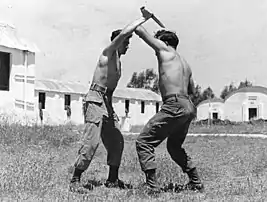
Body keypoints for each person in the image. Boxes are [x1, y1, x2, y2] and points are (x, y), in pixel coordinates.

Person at [70, 10, 153, 193]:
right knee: (91, 142)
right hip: (95, 100)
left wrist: (110, 106)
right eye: (127, 42)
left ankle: (112, 180)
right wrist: (142, 20)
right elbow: (123, 33)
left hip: (106, 102)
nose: (128, 46)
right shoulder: (108, 53)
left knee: (117, 141)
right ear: (118, 41)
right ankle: (75, 180)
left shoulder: (119, 61)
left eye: (129, 43)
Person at [134, 24, 204, 192]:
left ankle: (152, 187)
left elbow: (140, 31)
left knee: (144, 141)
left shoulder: (165, 51)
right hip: (187, 105)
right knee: (174, 147)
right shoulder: (185, 63)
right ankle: (195, 182)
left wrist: (143, 18)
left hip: (174, 104)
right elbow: (193, 90)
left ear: (164, 42)